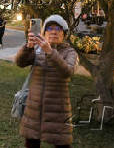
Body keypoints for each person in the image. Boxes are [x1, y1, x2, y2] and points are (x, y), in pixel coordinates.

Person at [15, 14, 77, 148]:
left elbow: (68, 72)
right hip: (34, 108)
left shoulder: (69, 52)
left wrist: (50, 52)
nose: (54, 31)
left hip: (58, 110)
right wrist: (28, 47)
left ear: (64, 34)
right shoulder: (36, 49)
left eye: (58, 29)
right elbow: (20, 62)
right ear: (44, 32)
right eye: (50, 28)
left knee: (62, 144)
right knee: (31, 143)